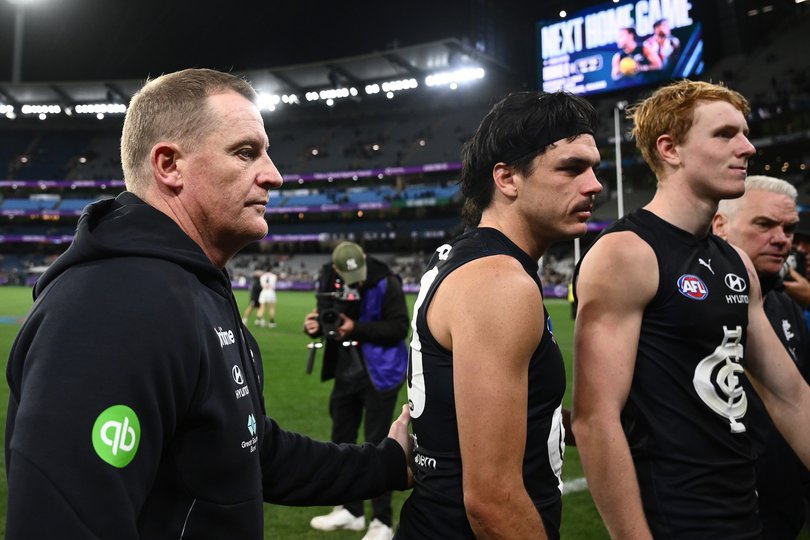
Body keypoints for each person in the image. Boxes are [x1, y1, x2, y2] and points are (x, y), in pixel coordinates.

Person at [4, 68, 412, 540]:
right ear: (169, 165)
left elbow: (249, 454)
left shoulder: (193, 286)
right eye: (245, 152)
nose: (274, 175)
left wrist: (389, 462)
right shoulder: (111, 306)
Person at [573, 79, 810, 539]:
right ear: (670, 148)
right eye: (724, 134)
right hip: (674, 519)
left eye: (743, 133)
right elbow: (594, 418)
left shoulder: (734, 261)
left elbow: (790, 396)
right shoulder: (627, 252)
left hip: (745, 511)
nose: (747, 147)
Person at [396, 91, 602, 539]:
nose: (594, 184)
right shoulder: (499, 282)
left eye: (593, 168)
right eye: (571, 168)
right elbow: (491, 502)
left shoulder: (468, 258)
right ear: (507, 178)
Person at [712, 175, 810, 539]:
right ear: (720, 225)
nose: (782, 239)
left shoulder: (787, 306)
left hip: (783, 513)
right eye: (765, 224)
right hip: (715, 515)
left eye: (789, 228)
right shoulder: (685, 309)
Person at [304, 241, 409, 540]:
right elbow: (328, 320)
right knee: (342, 441)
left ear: (364, 258)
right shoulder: (327, 278)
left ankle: (382, 522)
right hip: (346, 370)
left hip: (381, 373)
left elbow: (399, 327)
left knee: (379, 445)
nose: (358, 281)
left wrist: (356, 328)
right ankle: (350, 510)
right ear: (336, 269)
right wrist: (315, 327)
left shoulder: (385, 281)